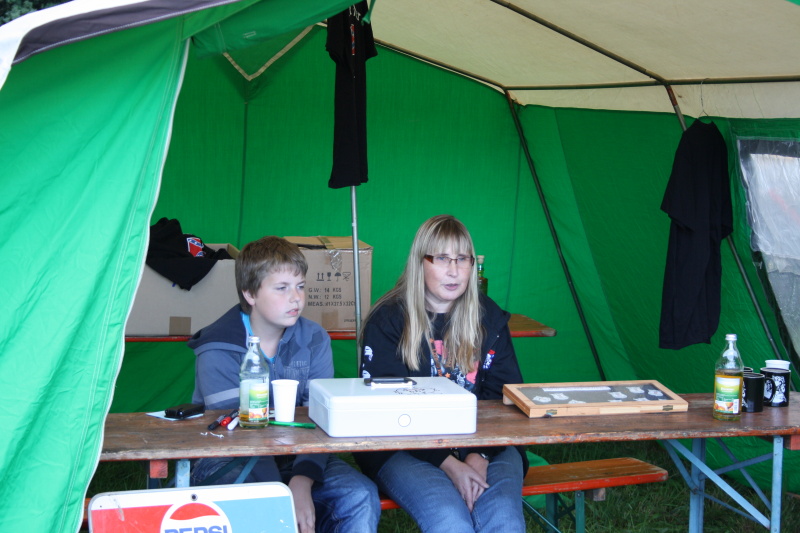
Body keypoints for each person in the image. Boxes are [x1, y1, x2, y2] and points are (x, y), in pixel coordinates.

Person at [188, 236, 380, 533]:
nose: (296, 298)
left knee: (359, 495)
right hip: (228, 456)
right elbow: (233, 432)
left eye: (300, 286)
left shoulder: (314, 338)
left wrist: (302, 479)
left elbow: (320, 417)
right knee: (267, 505)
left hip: (297, 454)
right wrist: (282, 493)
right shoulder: (218, 346)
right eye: (282, 288)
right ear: (250, 293)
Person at [356, 215, 528, 533]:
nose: (453, 270)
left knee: (503, 519)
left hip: (486, 442)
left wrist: (478, 455)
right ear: (420, 263)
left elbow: (506, 397)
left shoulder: (488, 317)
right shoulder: (389, 320)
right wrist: (450, 465)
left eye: (462, 259)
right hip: (402, 447)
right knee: (450, 520)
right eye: (442, 259)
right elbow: (386, 409)